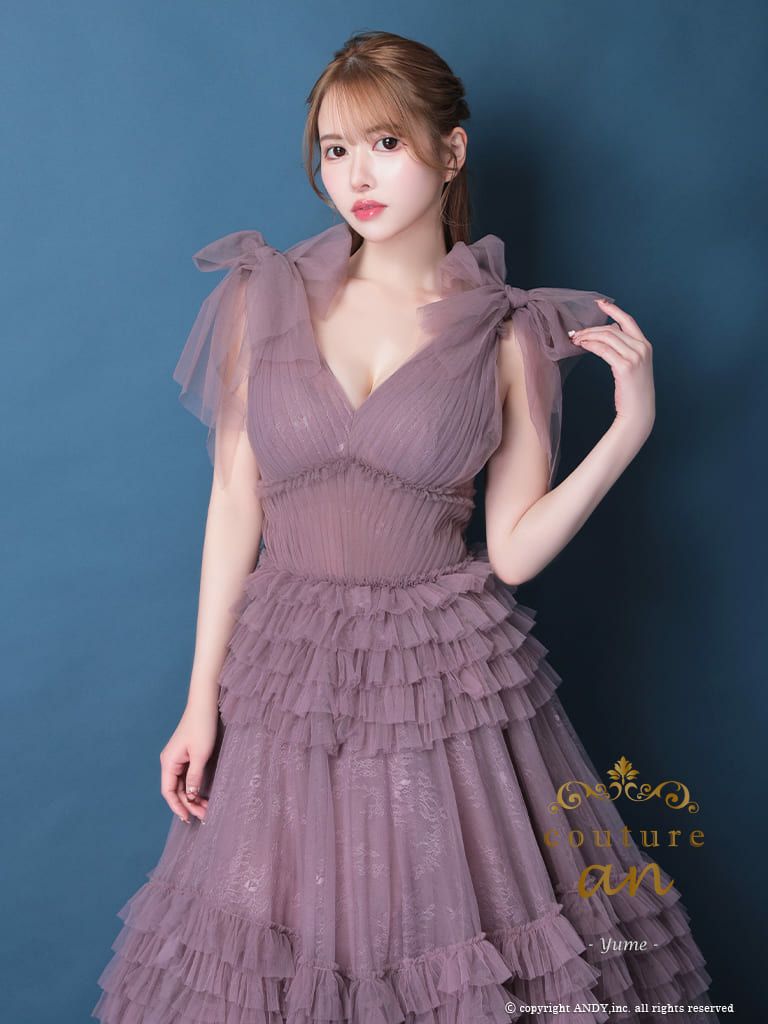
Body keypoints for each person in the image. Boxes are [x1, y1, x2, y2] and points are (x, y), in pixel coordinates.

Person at [92, 30, 719, 1024]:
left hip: (435, 680)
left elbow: (513, 551)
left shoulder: (507, 332)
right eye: (335, 150)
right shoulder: (265, 299)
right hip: (286, 676)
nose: (356, 177)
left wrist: (628, 429)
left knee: (444, 955)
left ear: (451, 151)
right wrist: (199, 701)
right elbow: (235, 504)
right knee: (274, 964)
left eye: (385, 143)